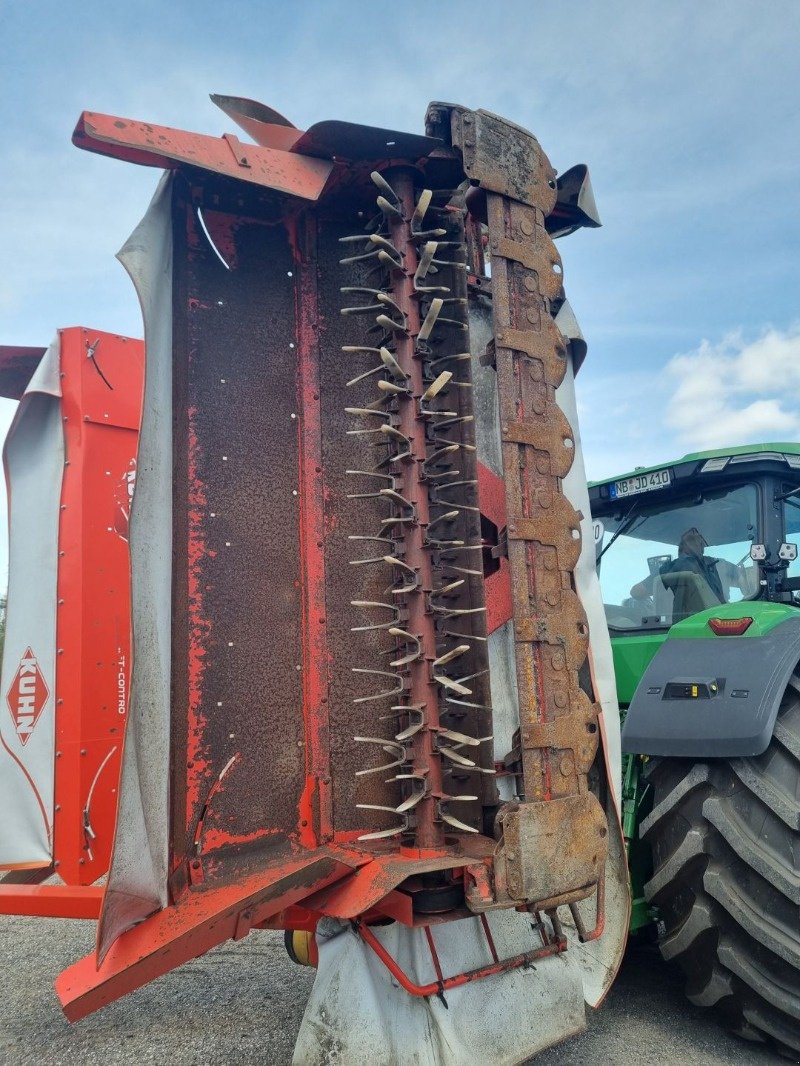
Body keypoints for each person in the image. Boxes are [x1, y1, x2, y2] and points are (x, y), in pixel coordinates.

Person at [630, 528, 736, 621]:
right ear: (702, 546)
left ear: (682, 548)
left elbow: (635, 592)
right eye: (698, 541)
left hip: (674, 628)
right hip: (719, 625)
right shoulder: (720, 564)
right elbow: (748, 583)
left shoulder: (669, 569)